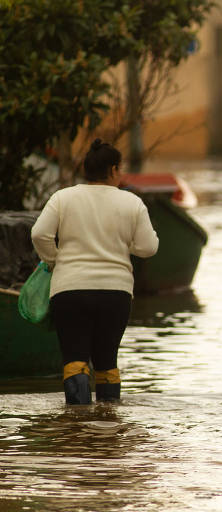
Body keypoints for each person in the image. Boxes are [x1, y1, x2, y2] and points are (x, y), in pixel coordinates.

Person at [31, 139, 159, 405]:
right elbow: (148, 247)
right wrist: (125, 245)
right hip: (116, 293)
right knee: (107, 361)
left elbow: (40, 234)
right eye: (119, 169)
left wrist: (55, 259)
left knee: (75, 360)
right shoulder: (131, 203)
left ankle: (77, 428)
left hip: (70, 290)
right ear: (113, 170)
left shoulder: (63, 198)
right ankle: (108, 427)